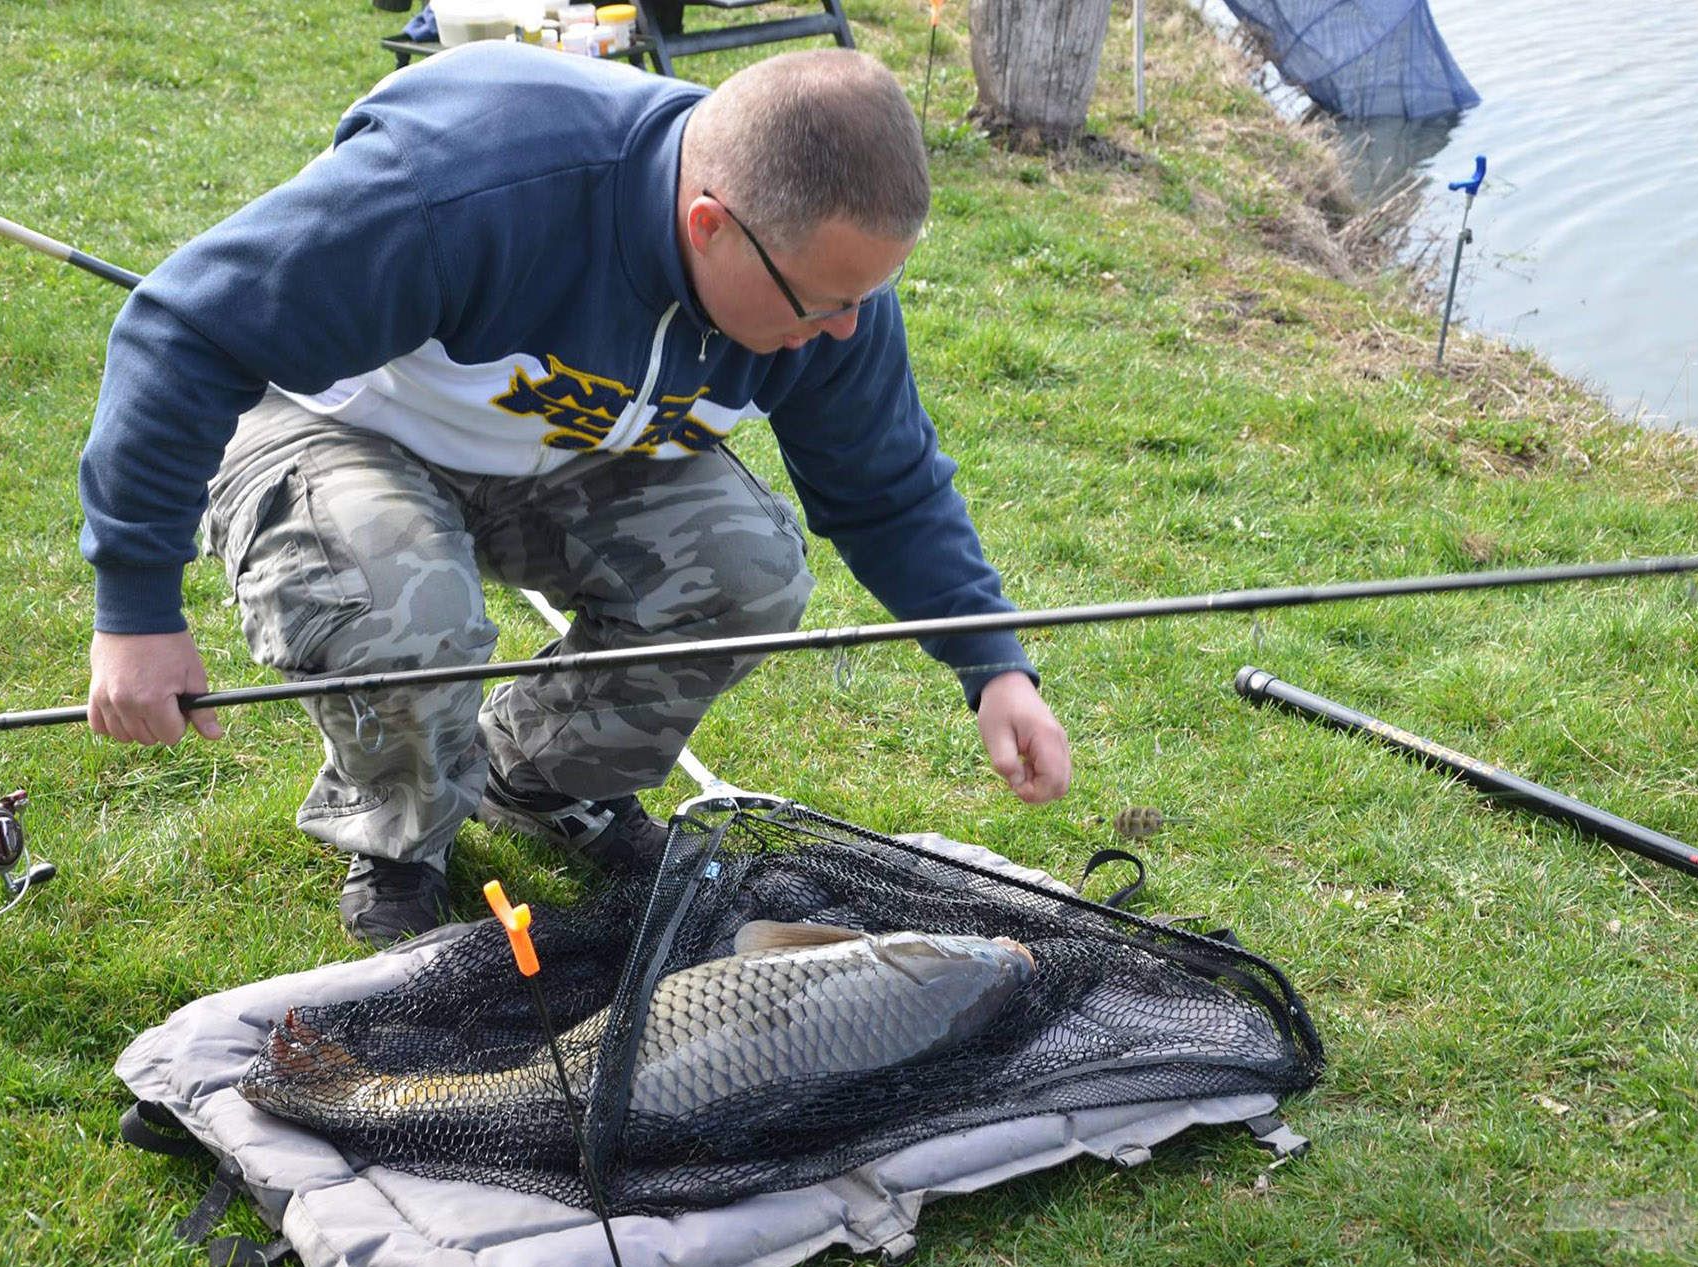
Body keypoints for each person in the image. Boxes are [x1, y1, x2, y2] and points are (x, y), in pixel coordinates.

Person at [80, 43, 1071, 947]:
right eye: (823, 303)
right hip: (340, 425)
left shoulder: (823, 286)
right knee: (408, 609)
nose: (848, 331)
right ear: (709, 227)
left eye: (866, 297)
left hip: (561, 450)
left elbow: (887, 489)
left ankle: (546, 780)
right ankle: (398, 836)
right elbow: (182, 331)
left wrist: (993, 666)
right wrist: (135, 610)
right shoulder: (470, 181)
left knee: (750, 569)